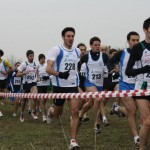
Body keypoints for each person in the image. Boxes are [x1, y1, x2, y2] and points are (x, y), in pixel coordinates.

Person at [46, 27, 80, 150]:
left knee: (75, 111)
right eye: (68, 36)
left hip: (72, 86)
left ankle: (73, 140)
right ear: (63, 37)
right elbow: (48, 69)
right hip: (59, 86)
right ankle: (50, 111)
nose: (71, 38)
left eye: (72, 36)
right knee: (57, 113)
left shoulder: (77, 51)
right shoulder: (56, 50)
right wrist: (60, 74)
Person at [107, 31, 140, 148]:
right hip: (125, 85)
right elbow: (109, 62)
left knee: (138, 109)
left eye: (137, 40)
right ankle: (136, 138)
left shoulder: (143, 52)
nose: (135, 42)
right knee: (132, 111)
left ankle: (117, 108)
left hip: (139, 85)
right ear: (128, 41)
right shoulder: (122, 53)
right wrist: (113, 69)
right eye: (133, 40)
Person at [126, 17, 150, 150]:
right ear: (145, 30)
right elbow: (129, 71)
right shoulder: (138, 48)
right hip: (142, 88)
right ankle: (141, 148)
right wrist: (144, 69)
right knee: (147, 122)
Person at [78, 37, 109, 132]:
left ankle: (80, 115)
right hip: (89, 83)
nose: (97, 46)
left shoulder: (104, 56)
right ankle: (96, 124)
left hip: (100, 84)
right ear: (91, 45)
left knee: (91, 103)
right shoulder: (86, 57)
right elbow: (78, 65)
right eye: (95, 45)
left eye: (98, 45)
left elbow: (108, 68)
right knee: (98, 99)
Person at [17, 50, 38, 122]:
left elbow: (37, 71)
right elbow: (17, 74)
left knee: (34, 96)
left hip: (33, 83)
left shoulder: (35, 64)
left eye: (33, 56)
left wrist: (37, 77)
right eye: (30, 56)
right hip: (25, 84)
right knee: (24, 101)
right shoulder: (24, 64)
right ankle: (22, 113)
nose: (32, 57)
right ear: (27, 56)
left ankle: (33, 111)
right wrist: (24, 73)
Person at [77, 43, 89, 122]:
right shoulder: (75, 60)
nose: (83, 51)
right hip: (76, 83)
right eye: (81, 50)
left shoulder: (88, 60)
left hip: (85, 81)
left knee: (86, 99)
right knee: (82, 98)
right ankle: (78, 114)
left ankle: (81, 114)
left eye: (84, 50)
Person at [37, 54, 50, 122]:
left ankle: (40, 107)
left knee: (45, 99)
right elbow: (36, 74)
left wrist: (47, 77)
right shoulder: (37, 65)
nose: (43, 60)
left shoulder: (47, 65)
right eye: (41, 59)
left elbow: (50, 74)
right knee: (42, 99)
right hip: (39, 85)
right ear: (39, 59)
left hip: (46, 84)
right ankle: (43, 115)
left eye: (44, 59)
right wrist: (38, 78)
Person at [0, 49, 12, 117]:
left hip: (3, 79)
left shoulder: (5, 62)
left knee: (2, 94)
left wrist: (6, 72)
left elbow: (11, 68)